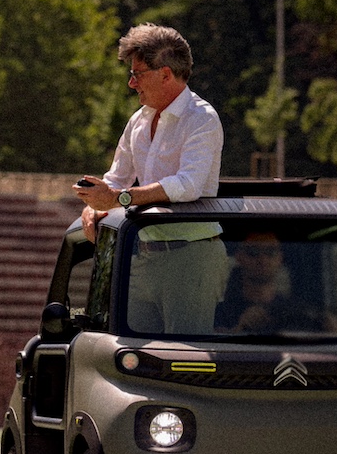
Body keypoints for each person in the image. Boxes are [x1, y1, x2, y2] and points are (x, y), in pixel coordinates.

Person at [73, 23, 227, 334]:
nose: (131, 83)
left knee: (184, 361)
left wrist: (119, 199)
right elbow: (115, 178)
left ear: (166, 74)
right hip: (142, 255)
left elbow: (188, 185)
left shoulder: (202, 118)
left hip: (192, 257)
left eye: (137, 74)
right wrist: (93, 208)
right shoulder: (138, 121)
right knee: (133, 356)